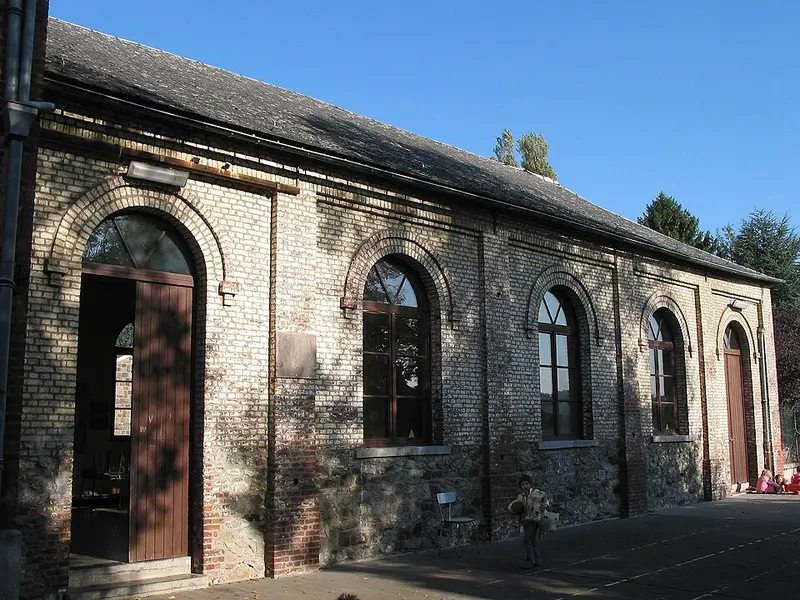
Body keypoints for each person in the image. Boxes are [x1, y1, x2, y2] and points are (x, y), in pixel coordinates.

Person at [508, 474, 544, 568]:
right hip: (525, 520)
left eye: (527, 484)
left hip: (534, 520)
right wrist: (510, 508)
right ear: (520, 486)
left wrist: (545, 506)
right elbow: (515, 503)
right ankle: (537, 560)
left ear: (530, 484)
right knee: (533, 541)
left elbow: (545, 499)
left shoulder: (535, 493)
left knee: (527, 540)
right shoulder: (521, 496)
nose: (525, 486)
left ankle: (530, 559)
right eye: (523, 484)